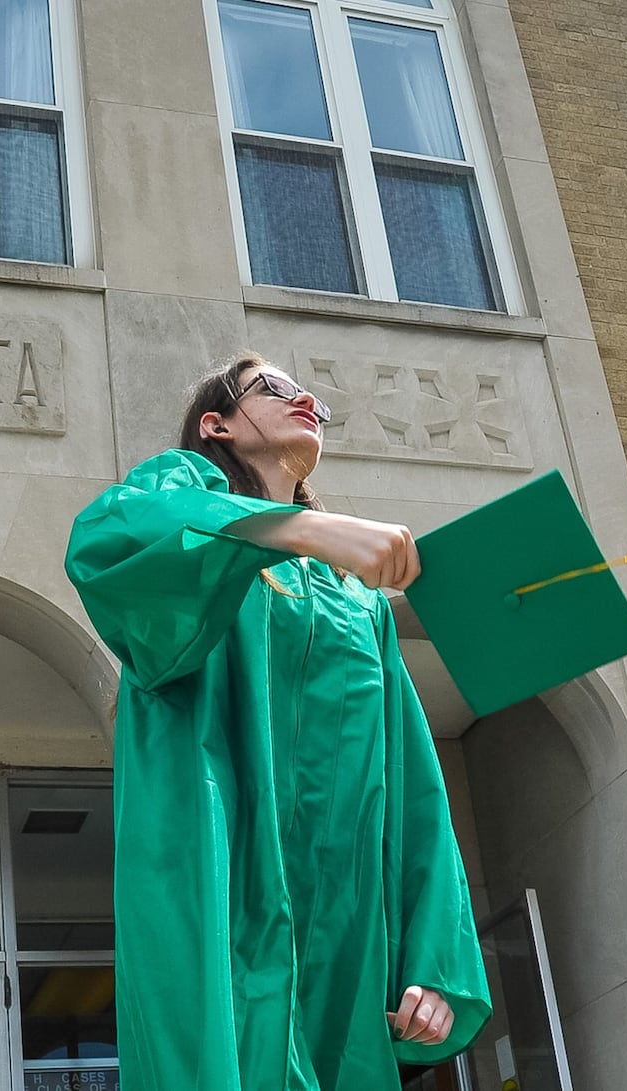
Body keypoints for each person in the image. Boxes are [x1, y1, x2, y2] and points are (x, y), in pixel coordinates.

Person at [64, 354, 491, 1091]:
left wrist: (433, 961)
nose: (307, 398)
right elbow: (110, 537)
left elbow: (414, 783)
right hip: (217, 876)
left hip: (343, 921)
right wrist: (295, 529)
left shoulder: (358, 602)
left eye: (311, 395)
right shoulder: (182, 495)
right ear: (217, 422)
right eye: (277, 388)